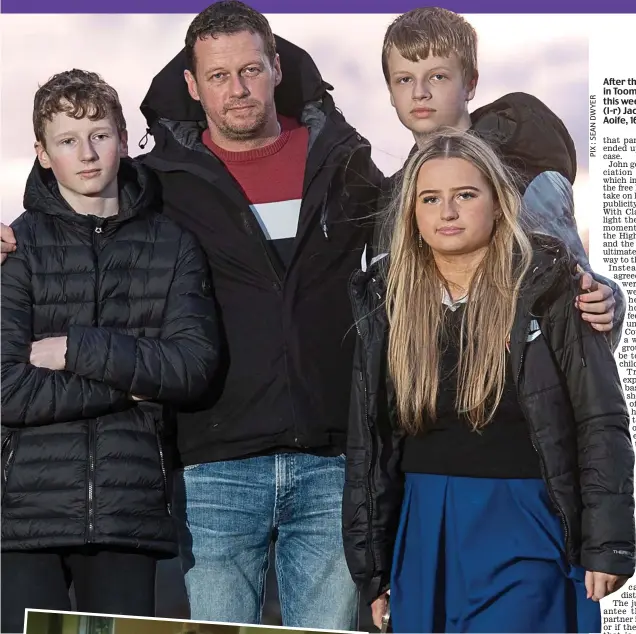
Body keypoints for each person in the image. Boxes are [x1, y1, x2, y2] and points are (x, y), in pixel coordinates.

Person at [0, 3, 620, 629]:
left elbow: (505, 262)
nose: (236, 89)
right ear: (193, 85)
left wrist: (607, 295)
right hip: (216, 463)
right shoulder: (160, 181)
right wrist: (12, 234)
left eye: (249, 70)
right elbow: (82, 192)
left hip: (332, 462)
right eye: (217, 76)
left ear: (274, 67)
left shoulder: (346, 166)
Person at [342, 129, 635, 633]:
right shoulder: (385, 301)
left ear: (499, 203)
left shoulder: (552, 286)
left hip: (525, 522)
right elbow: (370, 444)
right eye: (430, 199)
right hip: (424, 528)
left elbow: (600, 418)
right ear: (412, 214)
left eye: (465, 195)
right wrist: (375, 571)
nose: (447, 212)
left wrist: (609, 543)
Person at [1, 69, 219, 634]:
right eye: (67, 141)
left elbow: (193, 366)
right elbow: (7, 389)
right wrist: (136, 382)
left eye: (99, 134)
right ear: (43, 155)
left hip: (130, 514)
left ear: (122, 138)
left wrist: (78, 349)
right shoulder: (16, 249)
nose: (88, 153)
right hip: (25, 516)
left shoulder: (173, 246)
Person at [376, 6, 624, 343]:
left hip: (522, 376)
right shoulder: (397, 196)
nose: (420, 92)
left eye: (437, 76)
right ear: (391, 92)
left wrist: (608, 301)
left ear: (470, 83)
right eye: (404, 79)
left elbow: (581, 285)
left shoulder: (520, 164)